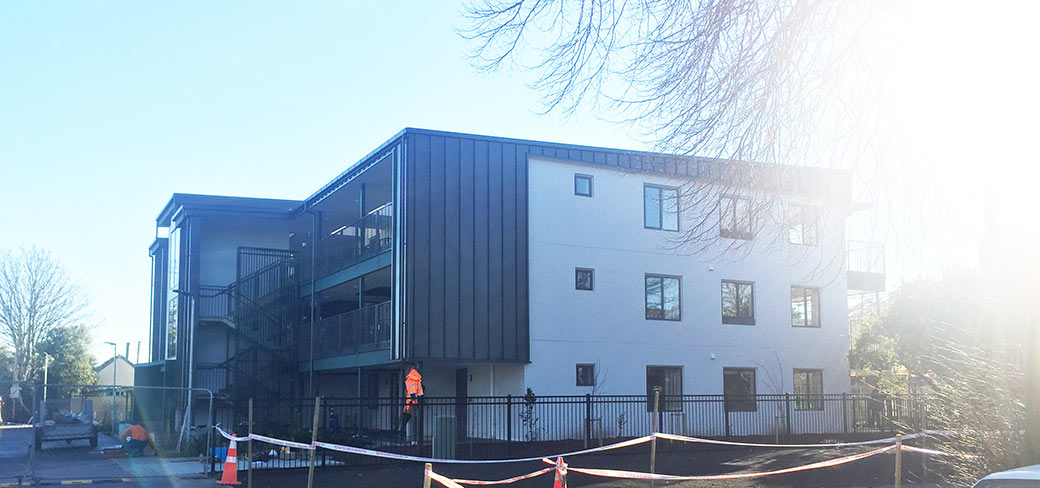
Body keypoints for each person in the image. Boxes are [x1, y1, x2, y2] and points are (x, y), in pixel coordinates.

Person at [399, 363, 424, 442]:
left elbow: (411, 391)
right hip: (415, 402)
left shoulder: (410, 379)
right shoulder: (418, 379)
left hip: (410, 403)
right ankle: (414, 438)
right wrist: (420, 399)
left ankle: (402, 432)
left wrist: (412, 399)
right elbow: (420, 391)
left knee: (406, 418)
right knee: (414, 418)